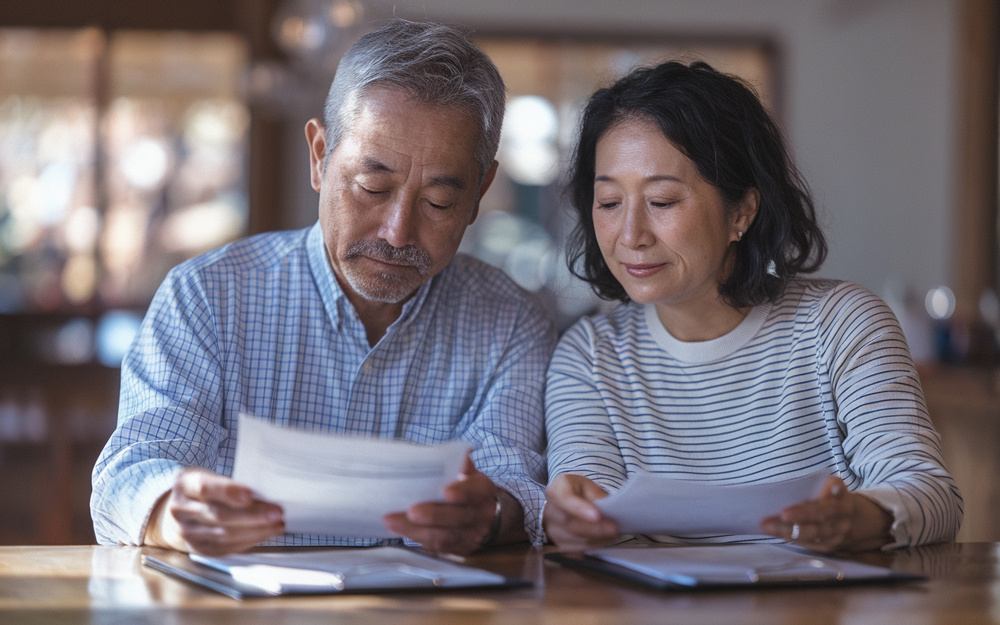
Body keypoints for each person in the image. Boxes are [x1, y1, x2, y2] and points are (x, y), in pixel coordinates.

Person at [91, 20, 556, 557]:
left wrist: (492, 514)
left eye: (439, 203)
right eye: (372, 187)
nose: (397, 231)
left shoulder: (511, 322)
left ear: (479, 193)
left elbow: (513, 480)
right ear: (319, 156)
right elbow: (131, 469)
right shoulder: (208, 297)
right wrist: (173, 512)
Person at [543, 60, 962, 553]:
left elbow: (932, 496)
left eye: (661, 201)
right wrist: (573, 520)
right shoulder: (589, 358)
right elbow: (590, 510)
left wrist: (859, 519)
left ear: (741, 210)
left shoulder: (842, 325)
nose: (630, 235)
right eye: (609, 203)